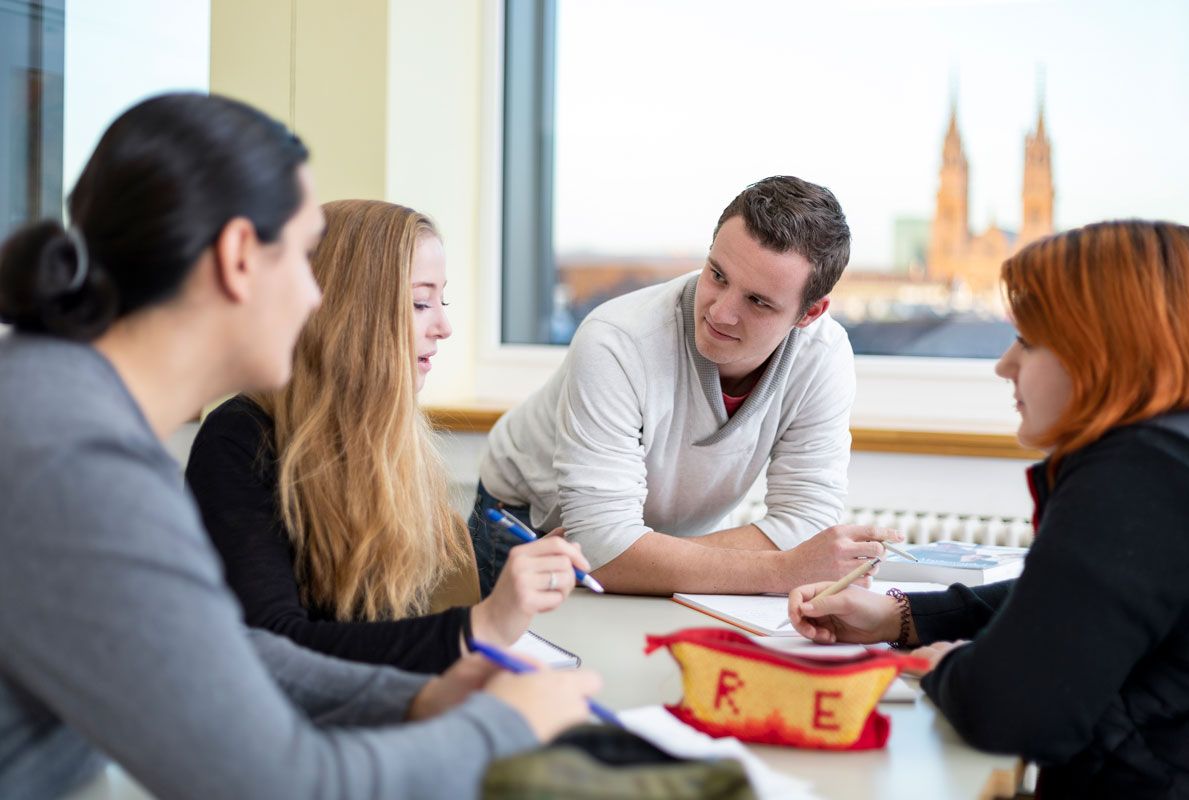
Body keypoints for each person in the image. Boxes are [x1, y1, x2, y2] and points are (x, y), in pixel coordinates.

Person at [0, 93, 599, 800]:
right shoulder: (77, 461)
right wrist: (504, 727)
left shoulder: (65, 407)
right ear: (238, 259)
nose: (320, 301)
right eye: (304, 258)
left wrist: (408, 700)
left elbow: (220, 647)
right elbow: (282, 784)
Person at [786, 221, 1189, 798]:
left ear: (1104, 348)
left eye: (1028, 340)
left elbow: (1012, 706)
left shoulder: (1138, 474)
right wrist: (900, 615)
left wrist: (950, 668)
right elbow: (1077, 599)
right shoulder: (1178, 457)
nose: (1004, 365)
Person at [186, 199, 591, 672]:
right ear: (349, 314)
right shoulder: (238, 441)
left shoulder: (392, 437)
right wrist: (479, 628)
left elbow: (402, 627)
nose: (444, 326)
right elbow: (277, 648)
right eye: (421, 303)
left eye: (443, 301)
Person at [472, 175, 902, 596]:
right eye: (717, 275)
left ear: (809, 313)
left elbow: (807, 522)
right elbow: (602, 548)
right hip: (527, 523)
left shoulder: (823, 355)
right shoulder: (617, 339)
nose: (721, 312)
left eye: (757, 301)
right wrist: (781, 571)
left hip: (637, 537)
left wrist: (633, 556)